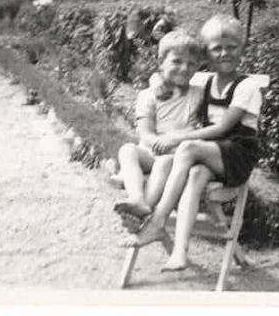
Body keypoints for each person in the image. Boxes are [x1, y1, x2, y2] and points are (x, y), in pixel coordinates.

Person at [122, 14, 263, 272]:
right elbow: (167, 77)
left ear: (243, 48)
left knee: (187, 148)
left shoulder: (247, 87)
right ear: (207, 55)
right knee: (195, 176)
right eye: (216, 48)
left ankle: (157, 220)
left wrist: (176, 137)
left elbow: (223, 128)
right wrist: (158, 81)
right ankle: (179, 252)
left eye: (231, 47)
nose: (224, 53)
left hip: (236, 155)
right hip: (211, 154)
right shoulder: (209, 83)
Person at [113, 29, 204, 233]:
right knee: (127, 149)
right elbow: (145, 133)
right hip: (151, 152)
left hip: (178, 160)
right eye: (177, 61)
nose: (184, 68)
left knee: (164, 162)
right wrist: (157, 142)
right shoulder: (148, 96)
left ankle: (141, 211)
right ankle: (137, 198)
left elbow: (206, 128)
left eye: (192, 64)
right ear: (161, 62)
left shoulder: (199, 95)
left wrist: (173, 143)